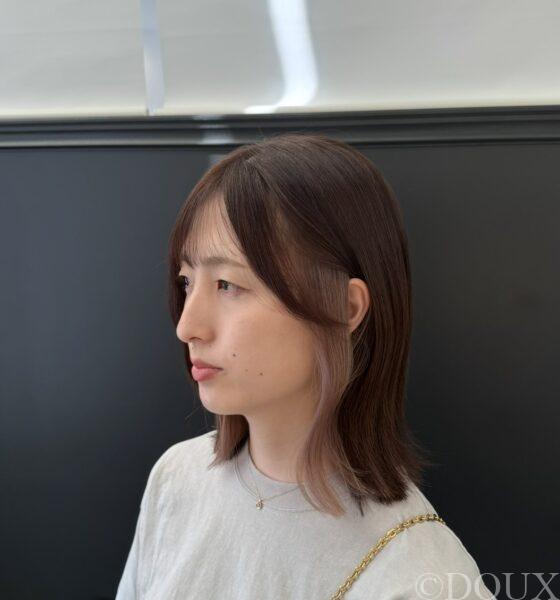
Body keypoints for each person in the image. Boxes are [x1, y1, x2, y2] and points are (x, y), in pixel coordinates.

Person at [115, 134, 495, 599]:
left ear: (344, 307)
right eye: (186, 281)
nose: (186, 326)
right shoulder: (177, 479)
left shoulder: (419, 578)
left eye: (227, 284)